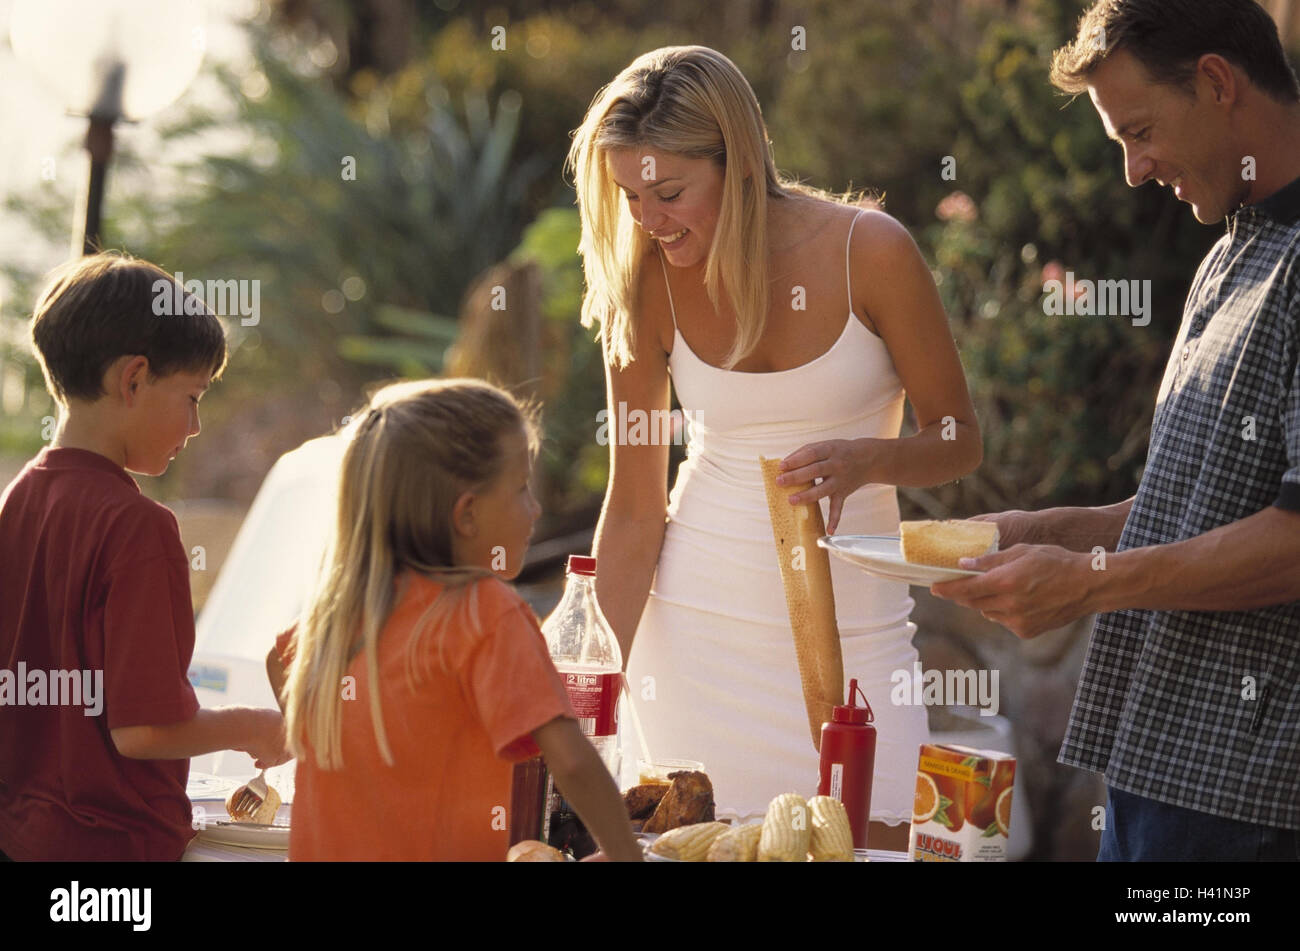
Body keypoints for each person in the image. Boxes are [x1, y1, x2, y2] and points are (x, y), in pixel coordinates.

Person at [567, 46, 982, 849]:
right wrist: (591, 693)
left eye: (670, 192)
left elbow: (959, 439)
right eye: (629, 196)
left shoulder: (873, 251)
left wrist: (873, 459)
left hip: (854, 641)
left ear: (741, 161)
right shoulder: (646, 281)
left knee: (875, 841)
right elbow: (632, 510)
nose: (648, 220)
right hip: (691, 635)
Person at [931, 0, 1300, 861]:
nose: (1133, 171)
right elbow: (1205, 506)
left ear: (1216, 82)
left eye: (1140, 130)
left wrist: (1091, 581)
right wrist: (1047, 531)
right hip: (1159, 783)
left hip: (1254, 803)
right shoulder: (1232, 249)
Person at [266, 378, 642, 861]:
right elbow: (571, 759)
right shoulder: (486, 612)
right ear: (466, 515)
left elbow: (279, 663)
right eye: (522, 488)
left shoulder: (340, 610)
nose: (537, 508)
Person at [0, 252, 288, 861]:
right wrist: (256, 726)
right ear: (133, 380)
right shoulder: (138, 528)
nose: (196, 425)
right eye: (192, 396)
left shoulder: (17, 501)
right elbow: (143, 731)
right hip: (112, 855)